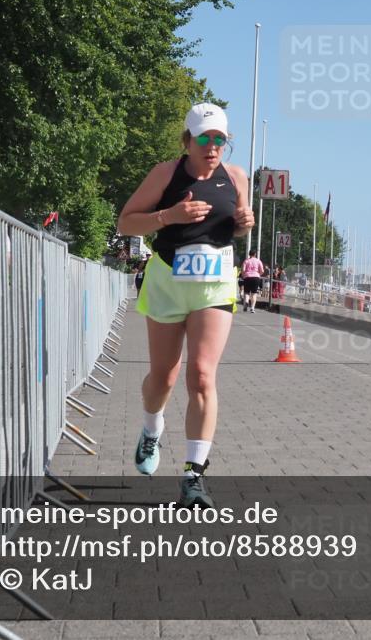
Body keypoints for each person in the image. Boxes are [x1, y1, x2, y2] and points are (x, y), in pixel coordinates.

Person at [117, 102, 254, 508]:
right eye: (205, 139)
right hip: (168, 281)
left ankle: (193, 476)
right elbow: (126, 222)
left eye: (220, 140)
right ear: (188, 140)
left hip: (214, 285)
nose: (213, 147)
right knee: (164, 377)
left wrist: (244, 225)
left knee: (202, 376)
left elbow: (238, 224)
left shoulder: (236, 177)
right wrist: (168, 216)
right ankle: (151, 428)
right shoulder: (165, 174)